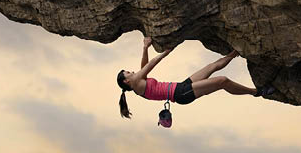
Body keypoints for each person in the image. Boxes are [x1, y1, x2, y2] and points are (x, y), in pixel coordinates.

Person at [116, 36, 275, 119]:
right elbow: (152, 63)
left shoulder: (137, 84)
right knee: (222, 81)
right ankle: (257, 92)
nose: (131, 71)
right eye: (128, 73)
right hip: (180, 94)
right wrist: (167, 51)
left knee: (213, 66)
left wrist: (145, 47)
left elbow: (144, 68)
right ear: (126, 81)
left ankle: (237, 51)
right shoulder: (136, 82)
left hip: (181, 86)